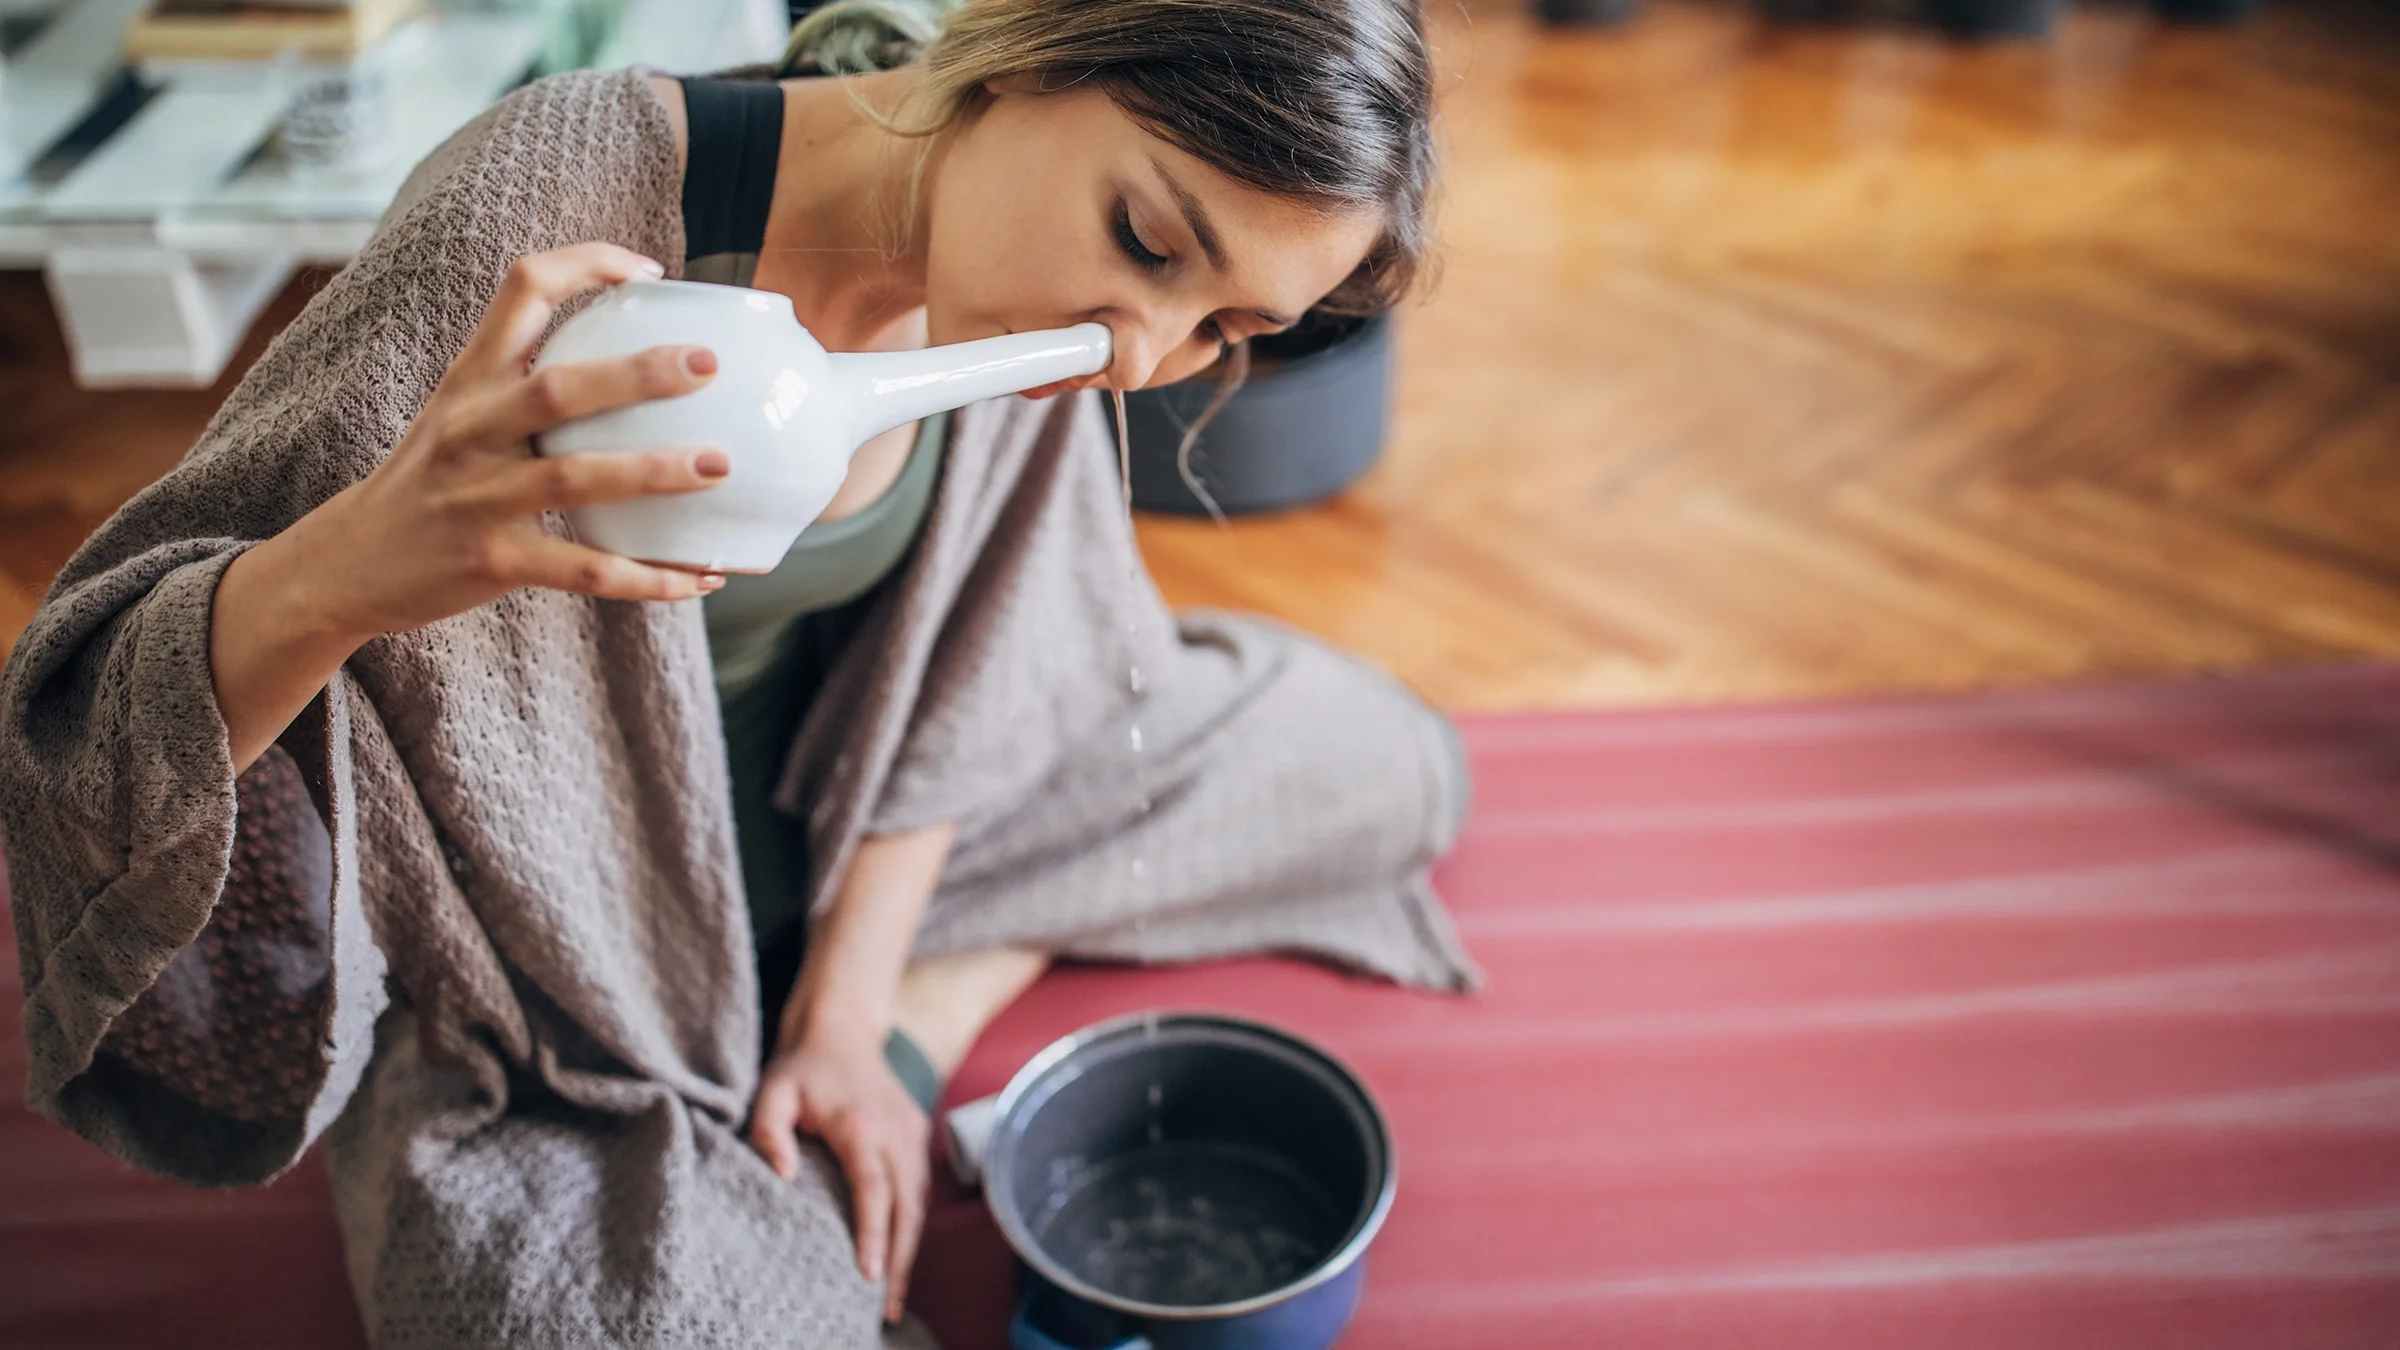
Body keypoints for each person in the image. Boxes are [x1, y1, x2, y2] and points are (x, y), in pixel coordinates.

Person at [0, 0, 1476, 1344]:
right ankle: (786, 1119)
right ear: (1030, 44)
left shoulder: (1040, 314)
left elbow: (986, 667)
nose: (1134, 352)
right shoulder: (560, 207)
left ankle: (908, 1020)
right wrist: (356, 564)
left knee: (1389, 764)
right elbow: (86, 718)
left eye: (1226, 329)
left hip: (848, 835)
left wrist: (849, 1010)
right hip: (557, 959)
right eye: (1153, 244)